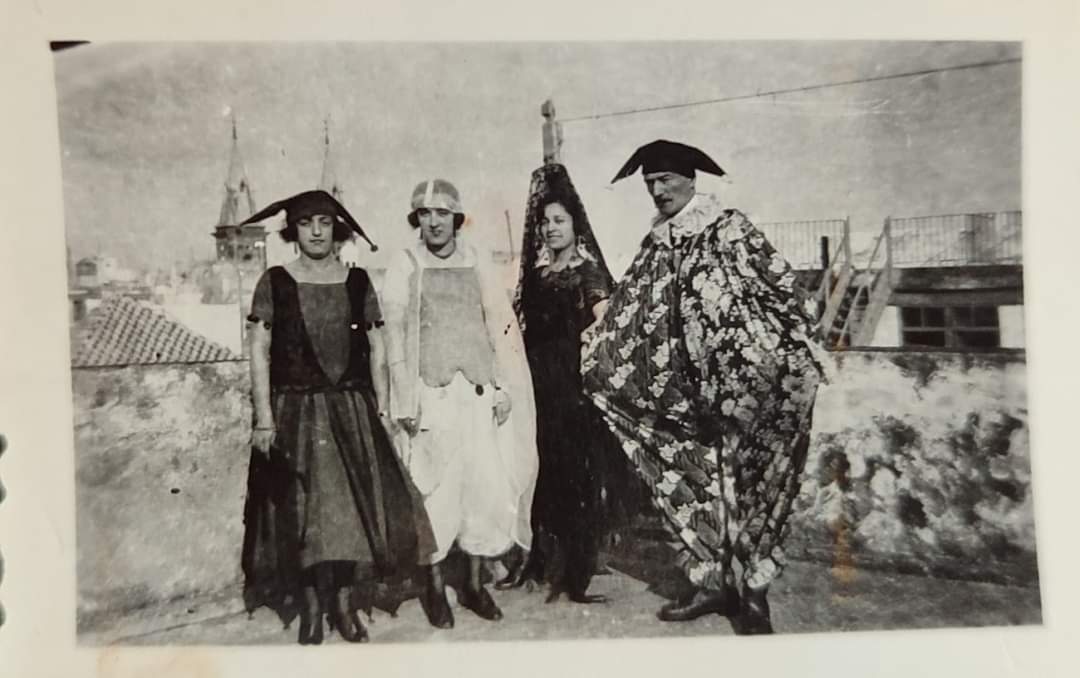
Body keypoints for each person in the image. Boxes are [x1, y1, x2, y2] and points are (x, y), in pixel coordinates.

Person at [581, 140, 824, 634]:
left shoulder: (729, 228)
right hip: (686, 396)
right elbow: (632, 306)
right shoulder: (656, 244)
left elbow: (779, 284)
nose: (657, 189)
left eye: (666, 179)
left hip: (749, 387)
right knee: (692, 483)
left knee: (759, 482)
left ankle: (754, 594)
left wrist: (799, 349)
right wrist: (600, 342)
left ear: (692, 180)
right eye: (650, 181)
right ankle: (710, 581)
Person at [240, 189, 433, 645]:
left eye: (325, 223)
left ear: (337, 229)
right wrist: (264, 418)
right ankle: (310, 608)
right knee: (304, 512)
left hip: (350, 409)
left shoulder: (358, 281)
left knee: (348, 512)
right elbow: (258, 349)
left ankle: (343, 605)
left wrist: (382, 408)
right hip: (296, 411)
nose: (316, 232)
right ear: (293, 230)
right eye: (306, 224)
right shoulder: (275, 281)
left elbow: (380, 347)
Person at [381, 179, 538, 629]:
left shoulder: (477, 261)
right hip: (432, 398)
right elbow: (395, 336)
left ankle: (472, 584)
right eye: (425, 214)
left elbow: (500, 326)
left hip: (477, 395)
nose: (434, 222)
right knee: (436, 491)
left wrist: (503, 387)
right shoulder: (405, 264)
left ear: (456, 218)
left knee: (482, 489)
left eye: (442, 214)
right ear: (417, 220)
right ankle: (434, 586)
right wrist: (403, 397)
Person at [504, 163, 632, 604]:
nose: (551, 228)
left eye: (559, 220)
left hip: (573, 389)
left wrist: (591, 335)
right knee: (540, 472)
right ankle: (539, 561)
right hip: (536, 386)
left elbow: (606, 318)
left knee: (576, 476)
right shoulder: (536, 273)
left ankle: (576, 574)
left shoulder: (587, 272)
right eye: (545, 221)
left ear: (576, 224)